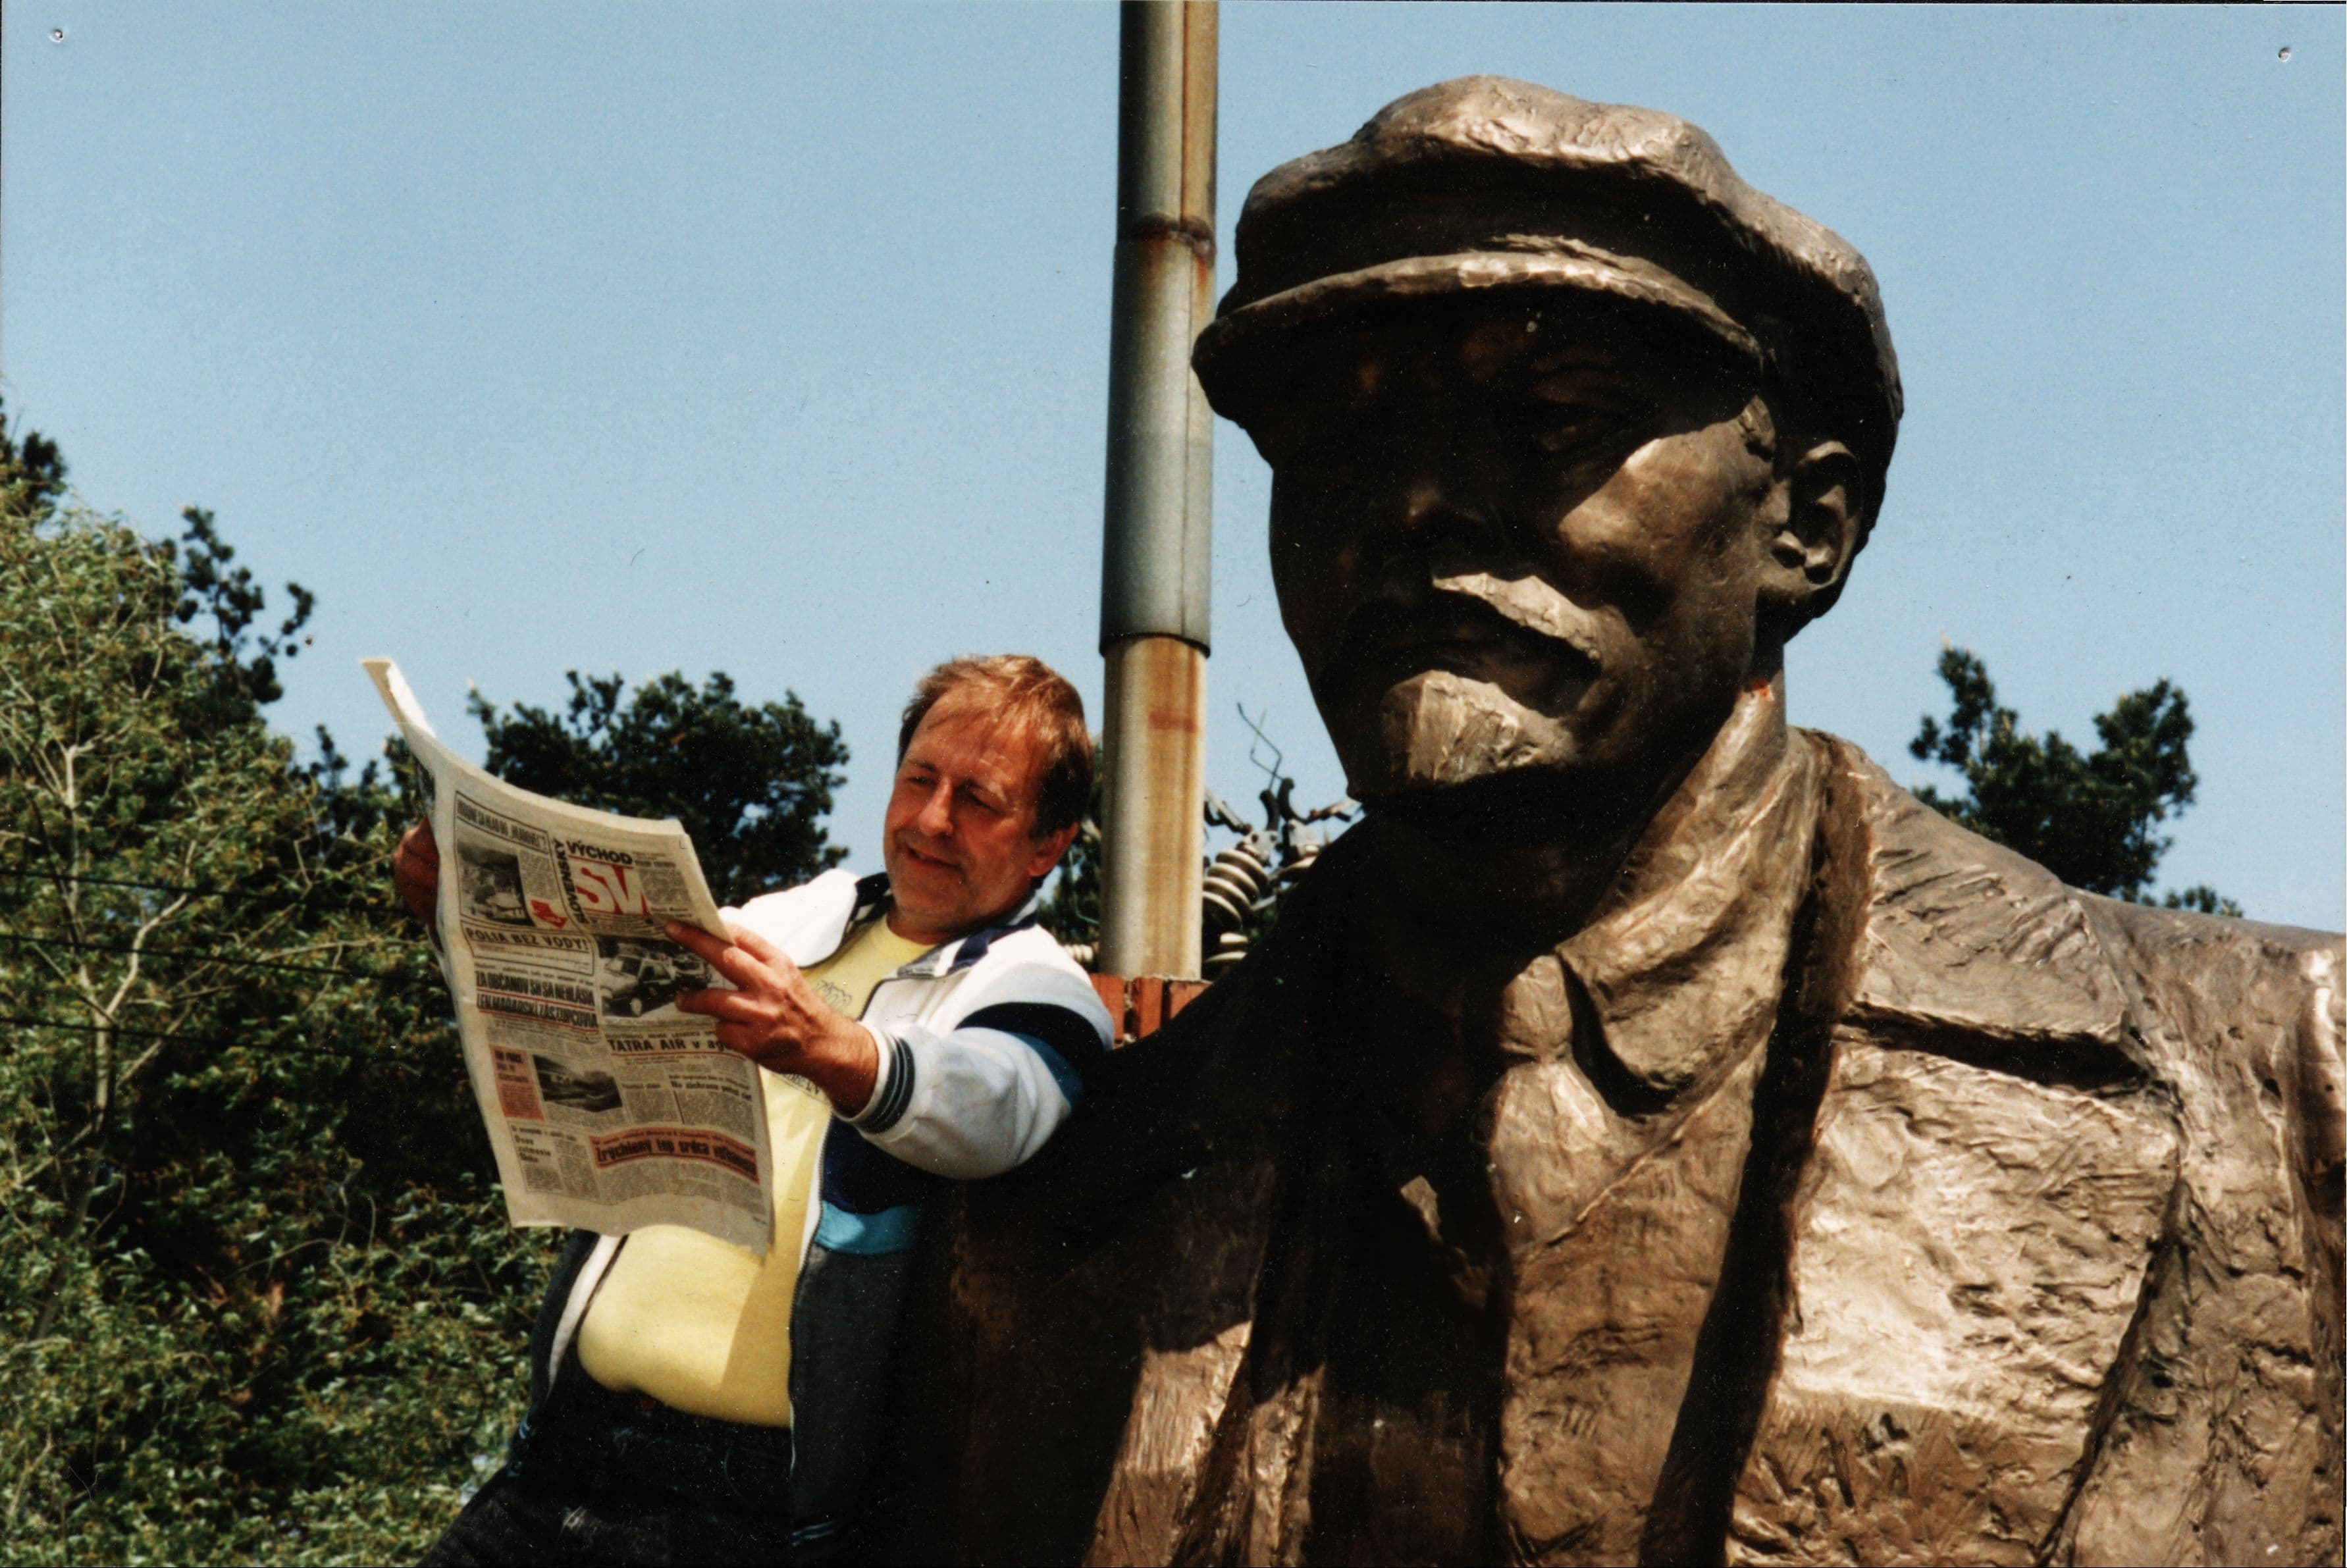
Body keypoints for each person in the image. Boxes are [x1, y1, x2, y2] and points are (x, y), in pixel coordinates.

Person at [897, 79, 2346, 1567]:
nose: (1414, 509)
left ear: (1809, 527)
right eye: (1336, 444)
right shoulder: (1068, 1201)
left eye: (1552, 420)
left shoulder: (2290, 1084)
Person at [403, 654, 1113, 1566]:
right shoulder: (790, 916)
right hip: (561, 1460)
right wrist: (461, 922)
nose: (933, 819)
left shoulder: (1040, 987)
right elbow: (583, 1025)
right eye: (919, 780)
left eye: (978, 799)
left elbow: (996, 1107)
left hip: (746, 1516)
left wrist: (837, 1048)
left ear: (1047, 844)